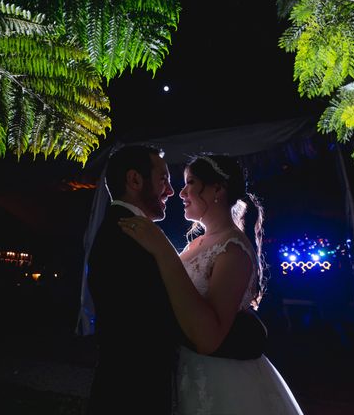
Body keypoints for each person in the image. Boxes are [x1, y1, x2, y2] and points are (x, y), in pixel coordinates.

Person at [85, 145, 268, 415]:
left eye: (188, 183)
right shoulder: (129, 237)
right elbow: (156, 317)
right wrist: (248, 334)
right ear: (135, 180)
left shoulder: (228, 249)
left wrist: (247, 331)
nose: (175, 192)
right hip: (133, 391)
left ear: (217, 190)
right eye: (165, 180)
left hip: (212, 383)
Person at [119, 153, 305, 415]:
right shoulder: (197, 243)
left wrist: (163, 251)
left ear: (217, 189)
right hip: (186, 369)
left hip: (222, 379)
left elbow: (210, 338)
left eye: (190, 182)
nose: (181, 193)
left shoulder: (234, 250)